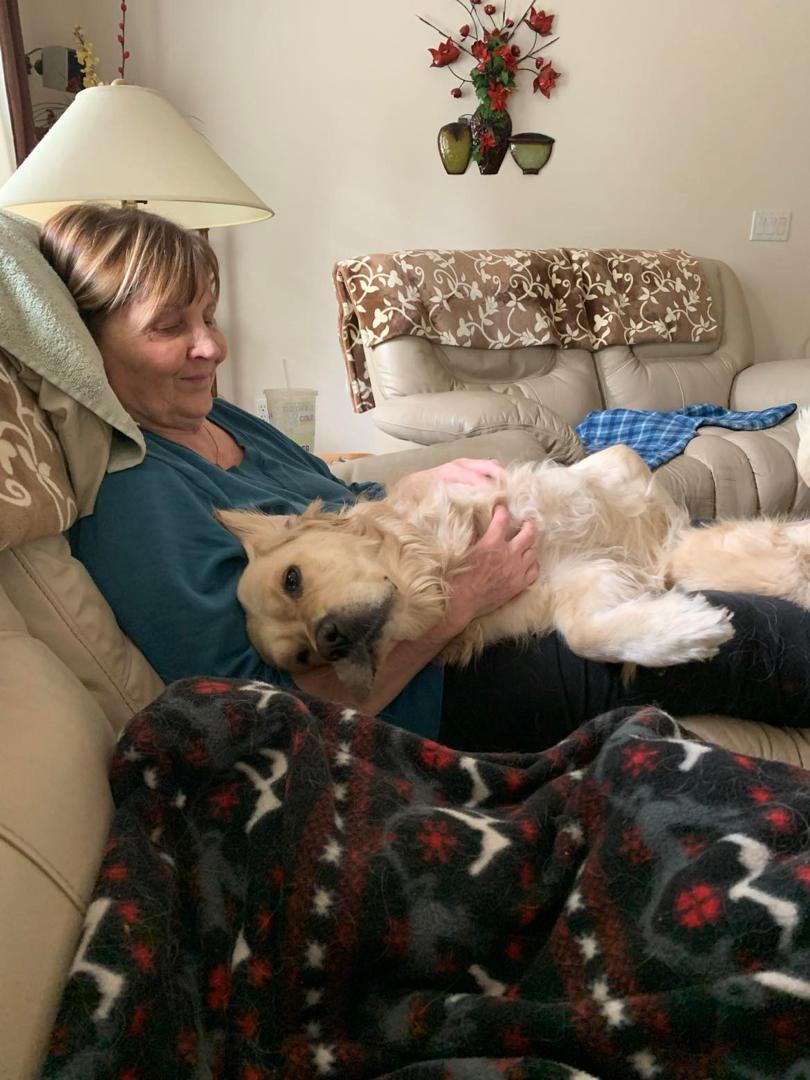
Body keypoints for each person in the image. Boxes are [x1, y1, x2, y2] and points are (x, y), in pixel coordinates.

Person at [41, 203, 810, 752]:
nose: (211, 346)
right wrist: (467, 596)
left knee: (733, 561)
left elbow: (351, 502)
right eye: (169, 327)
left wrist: (429, 480)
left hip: (484, 595)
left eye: (207, 314)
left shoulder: (221, 421)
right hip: (452, 689)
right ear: (86, 344)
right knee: (748, 641)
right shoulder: (134, 491)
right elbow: (269, 720)